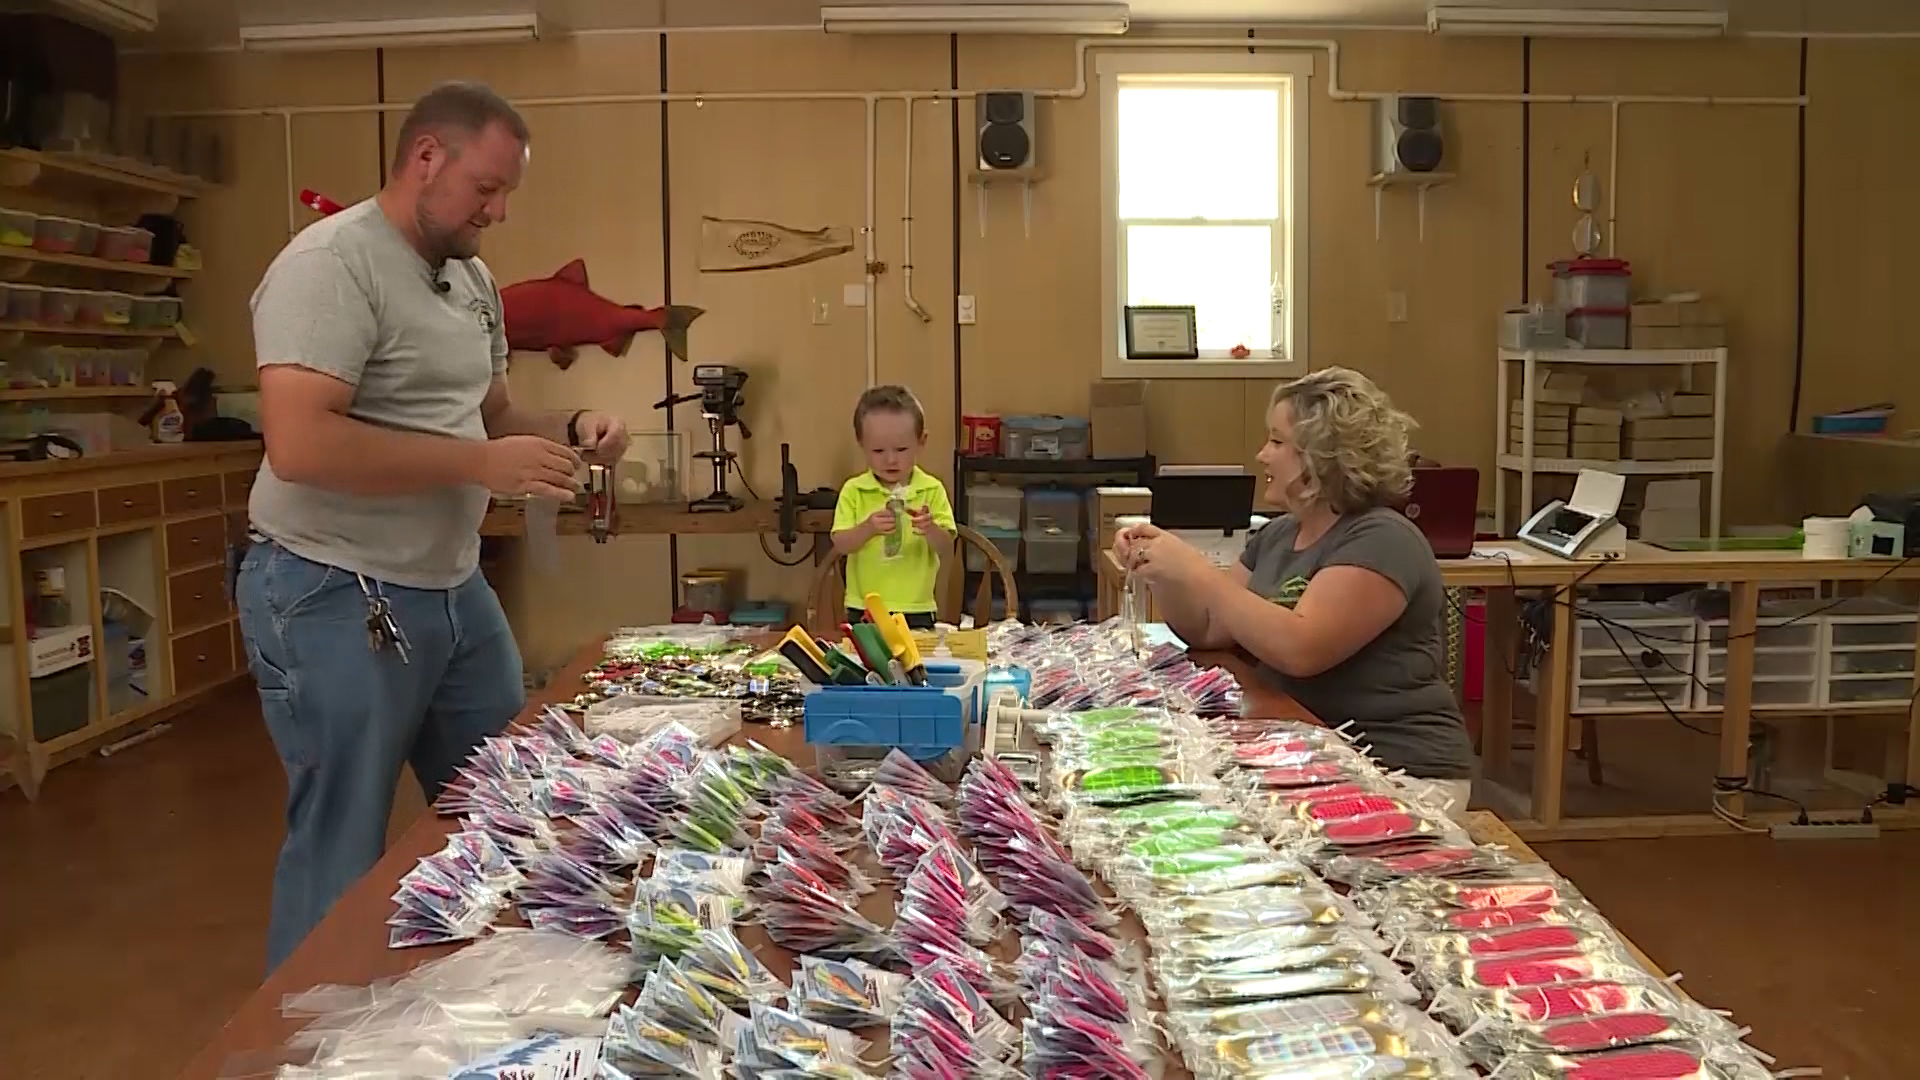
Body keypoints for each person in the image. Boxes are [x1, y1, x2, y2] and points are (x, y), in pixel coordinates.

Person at [237, 81, 630, 970]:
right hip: (335, 589)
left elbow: (490, 417)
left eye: (507, 195)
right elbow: (299, 443)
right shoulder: (328, 266)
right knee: (341, 838)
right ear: (426, 159)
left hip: (448, 587)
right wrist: (473, 466)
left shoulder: (472, 280)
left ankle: (496, 1008)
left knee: (509, 799)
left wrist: (573, 433)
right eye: (486, 188)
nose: (498, 211)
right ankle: (306, 1046)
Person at [1115, 367, 1474, 807]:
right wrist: (1163, 571)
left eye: (1277, 442)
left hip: (1394, 767)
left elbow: (1301, 648)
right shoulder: (1280, 534)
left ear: (1322, 457)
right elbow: (1209, 628)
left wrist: (1195, 569)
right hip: (1308, 743)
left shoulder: (1383, 538)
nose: (1262, 455)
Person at [831, 385, 955, 628]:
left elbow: (946, 546)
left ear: (922, 441)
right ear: (861, 444)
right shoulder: (854, 491)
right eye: (878, 450)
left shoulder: (931, 489)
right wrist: (867, 528)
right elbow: (841, 544)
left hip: (917, 607)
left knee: (914, 664)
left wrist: (931, 529)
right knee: (867, 664)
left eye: (901, 449)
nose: (890, 459)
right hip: (864, 606)